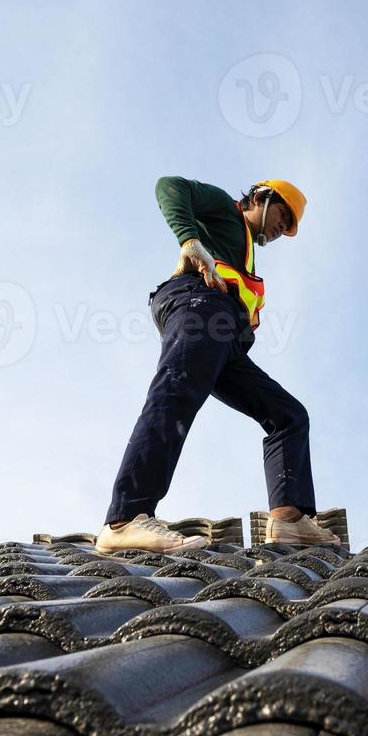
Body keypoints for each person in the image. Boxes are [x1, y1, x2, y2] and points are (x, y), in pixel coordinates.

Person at [94, 176, 339, 553]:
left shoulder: (246, 257)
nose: (281, 228)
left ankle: (289, 519)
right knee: (176, 392)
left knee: (289, 416)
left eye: (288, 226)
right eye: (282, 214)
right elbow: (170, 187)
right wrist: (190, 241)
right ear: (260, 196)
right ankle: (126, 518)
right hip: (199, 304)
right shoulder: (227, 210)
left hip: (225, 339)